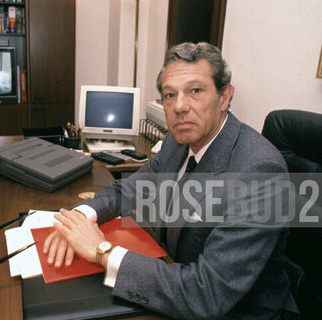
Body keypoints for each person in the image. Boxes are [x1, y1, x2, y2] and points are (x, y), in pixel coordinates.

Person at [44, 42, 298, 319]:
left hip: (236, 309)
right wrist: (81, 217)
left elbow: (207, 293)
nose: (179, 106)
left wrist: (101, 250)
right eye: (169, 95)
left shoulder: (260, 172)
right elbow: (131, 187)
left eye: (195, 91)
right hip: (173, 272)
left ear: (224, 97)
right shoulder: (177, 143)